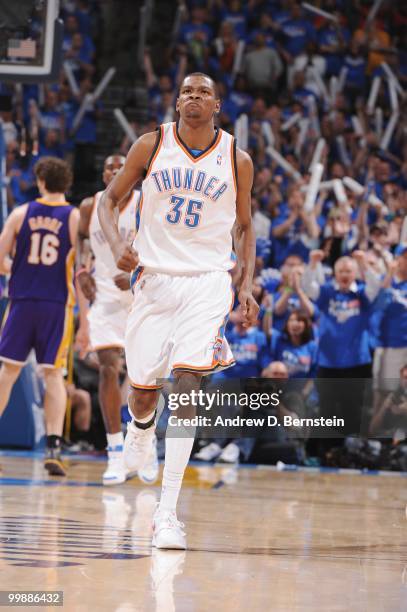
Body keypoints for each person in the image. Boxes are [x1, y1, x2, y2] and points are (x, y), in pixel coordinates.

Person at [98, 72, 258, 549]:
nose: (193, 97)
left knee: (187, 383)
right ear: (177, 103)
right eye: (186, 91)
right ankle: (141, 427)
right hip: (154, 280)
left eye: (203, 92)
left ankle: (166, 514)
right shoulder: (151, 145)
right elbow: (108, 202)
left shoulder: (237, 158)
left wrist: (245, 283)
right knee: (143, 394)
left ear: (216, 106)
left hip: (208, 282)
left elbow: (245, 228)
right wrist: (116, 246)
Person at [76, 154, 159, 486]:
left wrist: (139, 272)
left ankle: (147, 446)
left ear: (133, 174)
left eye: (120, 167)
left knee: (147, 377)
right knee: (109, 366)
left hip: (144, 294)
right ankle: (114, 451)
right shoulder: (89, 206)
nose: (114, 171)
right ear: (103, 174)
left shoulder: (147, 203)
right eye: (109, 167)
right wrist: (83, 268)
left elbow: (163, 246)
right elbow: (82, 239)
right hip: (106, 297)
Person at [0, 156, 79, 476]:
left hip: (21, 301)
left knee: (7, 373)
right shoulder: (73, 217)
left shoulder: (21, 213)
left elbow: (1, 256)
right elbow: (81, 262)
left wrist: (15, 269)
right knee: (53, 375)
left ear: (41, 181)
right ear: (67, 184)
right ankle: (54, 446)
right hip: (55, 305)